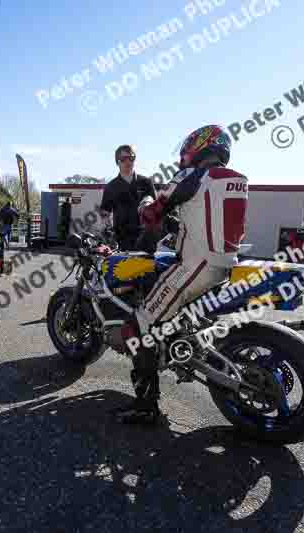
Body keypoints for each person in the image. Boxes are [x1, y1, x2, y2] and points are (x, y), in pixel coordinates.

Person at [112, 125, 249, 424]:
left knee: (136, 328)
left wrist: (146, 203)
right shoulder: (237, 179)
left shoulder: (193, 177)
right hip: (226, 265)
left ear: (198, 147)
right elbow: (203, 217)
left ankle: (146, 407)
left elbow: (152, 214)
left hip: (196, 265)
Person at [98, 145, 157, 251]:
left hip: (146, 240)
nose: (128, 162)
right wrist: (109, 232)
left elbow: (157, 209)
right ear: (117, 162)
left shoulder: (146, 182)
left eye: (131, 158)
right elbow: (105, 213)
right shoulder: (111, 187)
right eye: (123, 159)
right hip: (122, 241)